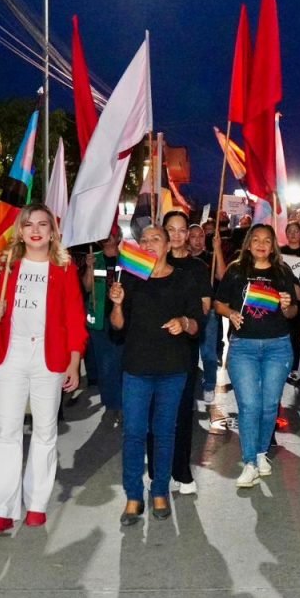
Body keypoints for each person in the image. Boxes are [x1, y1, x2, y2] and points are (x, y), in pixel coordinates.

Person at [0, 204, 87, 534]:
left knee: (44, 433)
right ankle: (1, 509)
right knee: (6, 432)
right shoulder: (6, 265)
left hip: (48, 358)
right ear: (20, 231)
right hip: (11, 356)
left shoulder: (64, 269)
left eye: (43, 224)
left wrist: (74, 361)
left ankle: (36, 503)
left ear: (53, 231)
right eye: (28, 225)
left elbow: (74, 319)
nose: (35, 230)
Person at [108, 226, 202, 525]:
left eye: (155, 239)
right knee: (134, 433)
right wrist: (118, 304)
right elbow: (117, 326)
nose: (148, 243)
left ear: (167, 245)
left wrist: (183, 321)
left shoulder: (184, 279)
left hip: (173, 369)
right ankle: (133, 496)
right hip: (136, 368)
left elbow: (197, 324)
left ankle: (160, 490)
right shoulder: (131, 278)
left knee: (164, 432)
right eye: (144, 240)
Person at [215, 224, 299, 487]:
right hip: (243, 348)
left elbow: (293, 313)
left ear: (273, 245)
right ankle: (249, 462)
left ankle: (262, 453)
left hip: (278, 346)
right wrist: (231, 314)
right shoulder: (236, 270)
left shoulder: (282, 272)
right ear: (249, 244)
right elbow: (219, 303)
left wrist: (287, 306)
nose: (262, 244)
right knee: (250, 406)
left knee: (269, 406)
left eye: (267, 240)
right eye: (256, 240)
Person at [151, 211, 212, 496]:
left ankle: (181, 469)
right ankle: (155, 471)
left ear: (188, 234)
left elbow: (203, 309)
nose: (176, 235)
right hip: (150, 348)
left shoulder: (198, 268)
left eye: (181, 230)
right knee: (155, 411)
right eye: (170, 230)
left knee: (181, 411)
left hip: (183, 348)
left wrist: (183, 317)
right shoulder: (150, 261)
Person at [82, 223, 125, 419]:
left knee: (121, 362)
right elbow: (88, 287)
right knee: (105, 364)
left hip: (122, 319)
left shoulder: (128, 259)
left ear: (119, 235)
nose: (108, 236)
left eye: (112, 232)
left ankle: (123, 402)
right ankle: (111, 403)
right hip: (100, 321)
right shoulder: (95, 258)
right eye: (105, 232)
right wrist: (89, 269)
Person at [190, 223, 225, 404]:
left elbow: (222, 275)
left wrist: (217, 249)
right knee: (187, 353)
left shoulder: (210, 257)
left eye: (201, 236)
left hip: (208, 311)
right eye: (193, 236)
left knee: (209, 352)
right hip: (187, 311)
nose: (197, 239)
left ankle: (210, 384)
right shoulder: (184, 258)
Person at [280, 220, 300, 375]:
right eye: (289, 231)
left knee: (296, 334)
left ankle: (295, 367)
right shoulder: (279, 252)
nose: (292, 234)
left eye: (296, 231)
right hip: (284, 296)